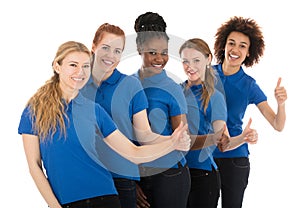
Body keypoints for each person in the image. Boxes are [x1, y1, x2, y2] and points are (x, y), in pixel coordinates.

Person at [18, 41, 191, 208]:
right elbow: (34, 165)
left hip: (105, 196)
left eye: (86, 66)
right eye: (73, 65)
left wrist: (172, 143)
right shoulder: (34, 111)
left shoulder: (95, 110)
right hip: (66, 201)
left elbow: (133, 153)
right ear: (57, 66)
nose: (80, 72)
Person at [212, 16, 287, 208]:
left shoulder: (249, 85)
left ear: (248, 53)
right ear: (223, 46)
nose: (235, 50)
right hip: (204, 157)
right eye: (231, 43)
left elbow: (278, 125)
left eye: (243, 46)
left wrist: (281, 104)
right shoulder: (205, 74)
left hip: (235, 159)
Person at [179, 38, 259, 208]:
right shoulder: (177, 91)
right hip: (178, 173)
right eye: (185, 61)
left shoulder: (214, 97)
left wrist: (243, 137)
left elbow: (223, 142)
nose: (190, 66)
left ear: (208, 60)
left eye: (196, 60)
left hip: (203, 176)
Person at [132, 11, 192, 208]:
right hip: (137, 175)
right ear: (139, 48)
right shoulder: (127, 85)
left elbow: (183, 140)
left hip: (169, 176)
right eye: (152, 52)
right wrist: (132, 181)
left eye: (164, 52)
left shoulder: (172, 89)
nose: (159, 58)